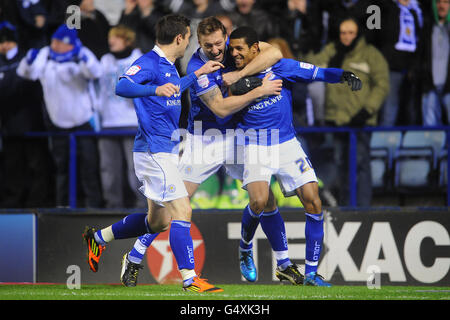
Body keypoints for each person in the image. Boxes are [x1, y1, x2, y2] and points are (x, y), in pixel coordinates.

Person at [119, 17, 303, 288]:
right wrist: (259, 91)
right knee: (172, 207)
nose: (216, 50)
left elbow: (275, 52)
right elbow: (220, 109)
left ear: (225, 37)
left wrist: (239, 75)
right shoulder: (196, 66)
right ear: (198, 42)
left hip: (241, 136)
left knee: (264, 200)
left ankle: (284, 264)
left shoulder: (235, 47)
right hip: (206, 140)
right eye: (208, 45)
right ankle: (134, 257)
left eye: (219, 43)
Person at [82, 14, 226, 293]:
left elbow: (172, 91)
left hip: (165, 150)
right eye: (188, 37)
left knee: (158, 222)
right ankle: (189, 278)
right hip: (153, 151)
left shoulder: (170, 67)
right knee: (183, 209)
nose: (189, 43)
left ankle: (98, 238)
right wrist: (153, 89)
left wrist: (196, 75)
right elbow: (121, 86)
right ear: (180, 38)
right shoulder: (149, 62)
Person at [225, 26, 362, 286]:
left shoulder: (281, 66)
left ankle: (310, 273)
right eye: (231, 49)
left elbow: (317, 73)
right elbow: (221, 97)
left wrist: (342, 75)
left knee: (313, 201)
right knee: (259, 201)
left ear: (256, 48)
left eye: (239, 48)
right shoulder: (228, 72)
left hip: (287, 143)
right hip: (253, 145)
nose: (234, 53)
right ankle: (245, 248)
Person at [17, 23, 103, 208]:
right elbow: (28, 74)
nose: (56, 45)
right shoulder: (45, 53)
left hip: (82, 120)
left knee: (88, 165)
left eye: (60, 42)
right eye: (54, 41)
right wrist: (27, 61)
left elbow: (96, 72)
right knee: (62, 167)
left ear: (71, 44)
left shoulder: (81, 52)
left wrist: (80, 59)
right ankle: (62, 206)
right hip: (57, 121)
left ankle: (93, 205)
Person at [307, 17, 389, 206]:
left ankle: (362, 207)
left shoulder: (370, 54)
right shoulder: (333, 50)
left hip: (360, 122)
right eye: (343, 33)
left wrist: (367, 110)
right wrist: (310, 48)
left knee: (359, 164)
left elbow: (382, 85)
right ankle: (346, 208)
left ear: (358, 33)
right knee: (341, 165)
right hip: (336, 121)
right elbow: (312, 65)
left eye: (350, 32)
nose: (346, 37)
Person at [0, 21, 51, 208]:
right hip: (8, 126)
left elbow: (30, 85)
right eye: (2, 42)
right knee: (13, 167)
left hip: (32, 123)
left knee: (36, 165)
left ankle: (37, 201)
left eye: (8, 42)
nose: (5, 46)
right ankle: (13, 202)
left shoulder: (26, 58)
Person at [97, 25, 146, 208]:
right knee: (108, 170)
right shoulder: (105, 60)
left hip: (133, 123)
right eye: (111, 37)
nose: (112, 40)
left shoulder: (139, 58)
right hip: (108, 123)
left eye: (116, 37)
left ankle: (143, 207)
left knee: (136, 170)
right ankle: (112, 206)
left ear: (127, 40)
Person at [418, 0, 450, 125]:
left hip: (449, 87)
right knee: (430, 130)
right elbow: (420, 56)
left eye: (446, 2)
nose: (442, 6)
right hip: (430, 85)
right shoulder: (427, 28)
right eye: (438, 2)